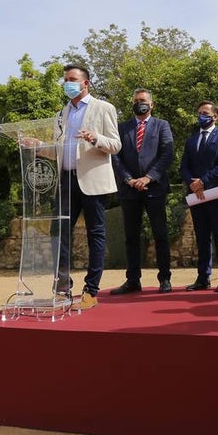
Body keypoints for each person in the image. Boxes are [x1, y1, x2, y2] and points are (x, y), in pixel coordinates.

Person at [54, 65, 120, 309]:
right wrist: (37, 146)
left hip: (92, 181)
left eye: (72, 79)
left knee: (95, 235)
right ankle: (62, 289)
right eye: (65, 80)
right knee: (59, 233)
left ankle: (91, 291)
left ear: (86, 83)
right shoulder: (62, 113)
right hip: (66, 180)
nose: (67, 84)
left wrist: (95, 138)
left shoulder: (103, 108)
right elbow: (59, 149)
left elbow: (115, 145)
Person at [111, 89, 174, 294]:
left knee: (160, 234)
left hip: (154, 188)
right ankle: (133, 280)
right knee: (131, 237)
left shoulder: (162, 125)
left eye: (143, 101)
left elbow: (167, 154)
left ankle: (164, 278)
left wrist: (148, 177)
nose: (140, 103)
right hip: (129, 190)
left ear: (151, 104)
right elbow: (116, 157)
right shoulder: (122, 128)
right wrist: (129, 179)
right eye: (136, 100)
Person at [180, 101, 218, 291]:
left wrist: (203, 181)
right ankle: (203, 277)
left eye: (205, 113)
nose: (201, 116)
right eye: (199, 113)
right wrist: (192, 183)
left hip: (215, 194)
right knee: (201, 237)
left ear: (215, 116)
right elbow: (184, 166)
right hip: (197, 196)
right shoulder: (191, 140)